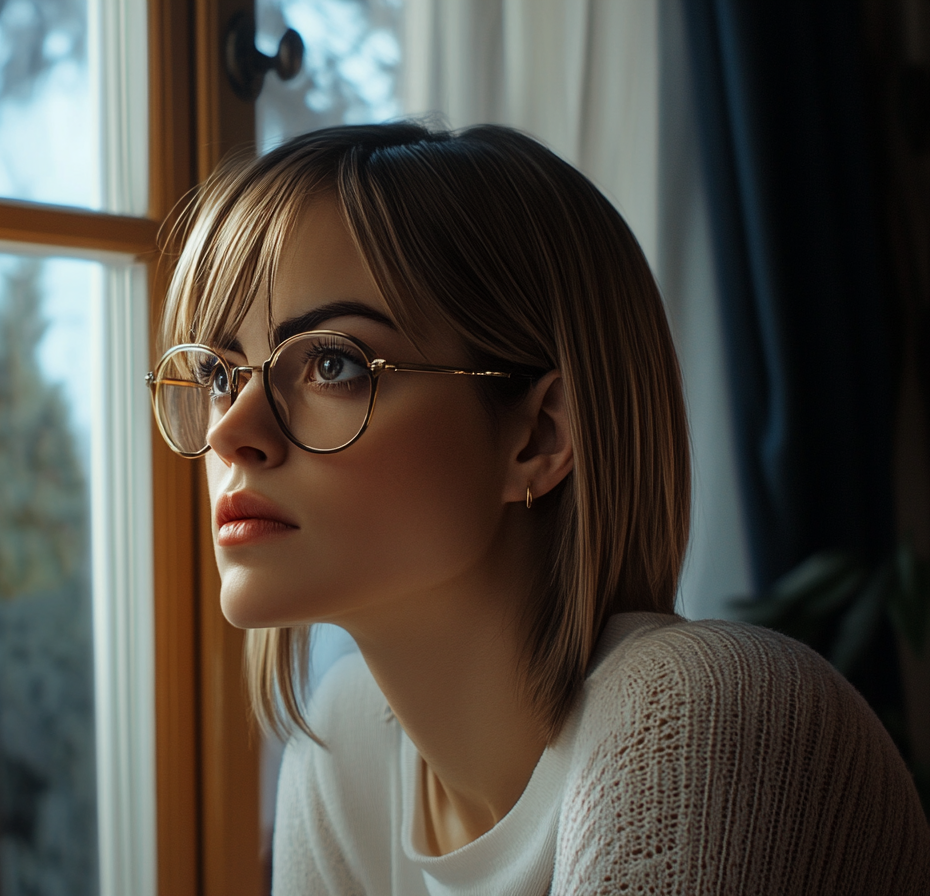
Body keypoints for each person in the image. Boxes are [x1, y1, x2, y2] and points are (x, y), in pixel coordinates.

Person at [145, 122, 930, 894]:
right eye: (220, 375)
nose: (231, 429)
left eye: (332, 362)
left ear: (541, 433)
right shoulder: (343, 747)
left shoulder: (704, 717)